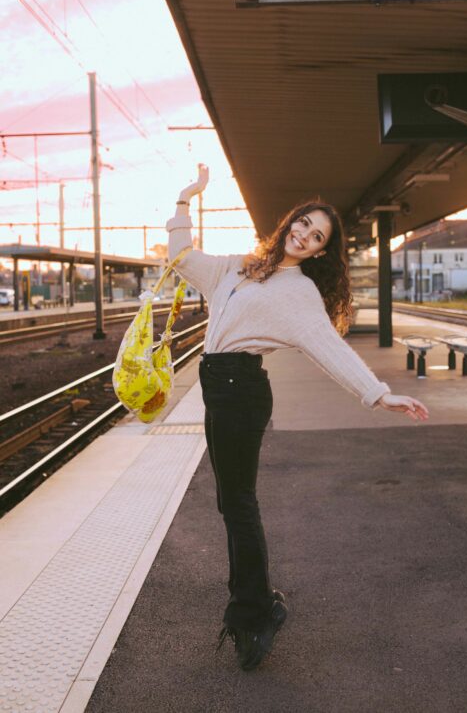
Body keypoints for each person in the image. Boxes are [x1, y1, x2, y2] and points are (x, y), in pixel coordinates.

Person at [166, 164, 429, 672]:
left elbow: (330, 349)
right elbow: (181, 257)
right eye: (302, 225)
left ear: (321, 250)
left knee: (238, 505)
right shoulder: (242, 267)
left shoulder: (300, 293)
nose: (303, 236)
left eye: (316, 236)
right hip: (219, 387)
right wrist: (184, 200)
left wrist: (378, 394)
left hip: (241, 390)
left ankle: (255, 613)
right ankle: (257, 602)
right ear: (289, 223)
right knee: (229, 502)